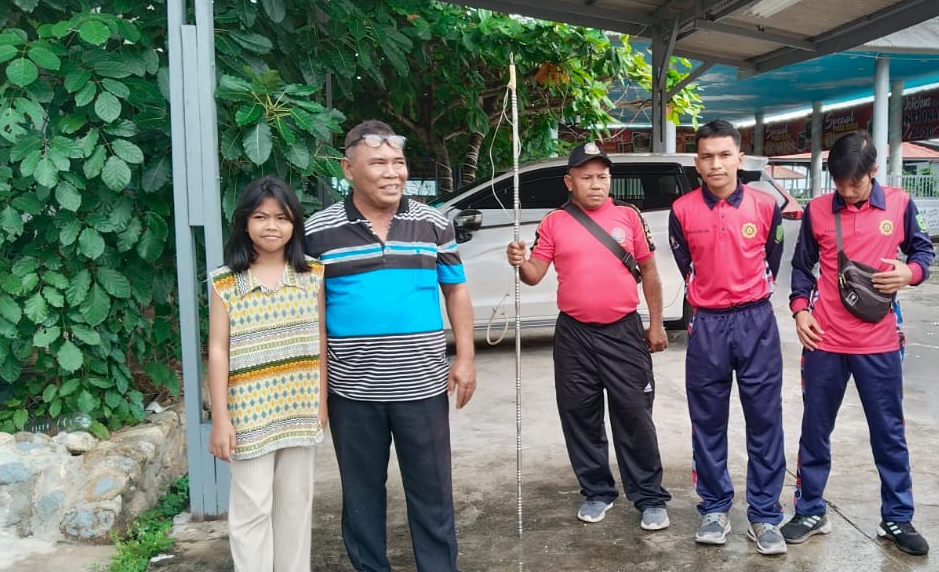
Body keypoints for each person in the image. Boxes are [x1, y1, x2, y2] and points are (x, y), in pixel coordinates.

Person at [305, 120, 476, 572]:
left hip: (423, 385)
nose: (392, 173)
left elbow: (456, 290)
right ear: (348, 169)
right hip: (352, 390)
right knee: (361, 495)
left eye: (398, 162)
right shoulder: (318, 232)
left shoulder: (433, 223)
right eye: (378, 163)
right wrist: (319, 391)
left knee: (432, 491)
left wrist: (465, 357)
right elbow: (313, 317)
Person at [505, 142, 673, 531]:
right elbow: (534, 275)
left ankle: (649, 497)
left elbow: (649, 271)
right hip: (574, 335)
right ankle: (597, 491)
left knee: (634, 414)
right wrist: (520, 262)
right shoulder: (554, 222)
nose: (596, 184)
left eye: (602, 177)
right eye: (586, 178)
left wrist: (656, 323)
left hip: (623, 331)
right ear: (570, 182)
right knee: (579, 415)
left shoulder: (629, 216)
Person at [783, 131, 935, 556]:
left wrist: (910, 273)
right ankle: (810, 510)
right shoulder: (817, 210)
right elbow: (801, 268)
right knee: (815, 430)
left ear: (874, 172)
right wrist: (800, 310)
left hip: (880, 343)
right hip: (825, 342)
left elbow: (923, 253)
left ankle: (897, 517)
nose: (847, 192)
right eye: (839, 184)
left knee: (889, 433)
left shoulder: (901, 204)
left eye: (855, 183)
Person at [668, 119, 787, 555]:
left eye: (724, 155)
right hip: (708, 326)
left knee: (765, 421)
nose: (716, 164)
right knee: (707, 422)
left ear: (740, 157)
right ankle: (714, 508)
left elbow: (772, 257)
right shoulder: (682, 211)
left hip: (756, 323)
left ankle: (765, 515)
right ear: (696, 163)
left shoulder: (765, 206)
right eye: (707, 157)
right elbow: (687, 265)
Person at [208, 176, 327, 572]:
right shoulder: (226, 281)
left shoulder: (313, 275)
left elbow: (320, 337)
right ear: (245, 222)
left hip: (299, 406)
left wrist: (322, 402)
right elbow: (218, 349)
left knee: (295, 504)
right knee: (252, 507)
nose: (271, 226)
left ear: (295, 224)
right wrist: (220, 419)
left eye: (282, 217)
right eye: (260, 217)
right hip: (249, 412)